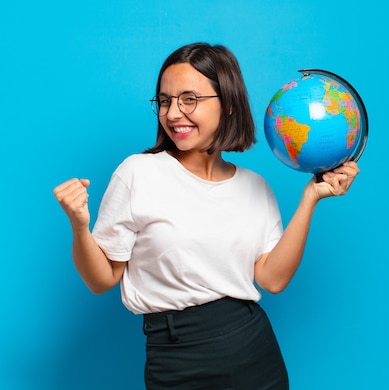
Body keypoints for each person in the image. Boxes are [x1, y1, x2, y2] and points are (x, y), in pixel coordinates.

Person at [52, 42, 360, 389]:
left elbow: (272, 280)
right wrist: (80, 228)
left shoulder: (255, 187)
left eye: (189, 99)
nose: (172, 113)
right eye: (165, 101)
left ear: (228, 104)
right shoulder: (137, 173)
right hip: (176, 356)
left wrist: (310, 198)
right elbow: (102, 279)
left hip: (254, 349)